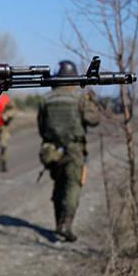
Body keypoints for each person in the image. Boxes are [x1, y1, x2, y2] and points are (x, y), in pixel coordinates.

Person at [37, 60, 101, 242]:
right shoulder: (80, 98)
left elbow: (41, 127)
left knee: (59, 185)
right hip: (74, 150)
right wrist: (93, 101)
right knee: (72, 186)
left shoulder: (46, 99)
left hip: (52, 151)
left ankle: (59, 223)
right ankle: (65, 224)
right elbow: (94, 120)